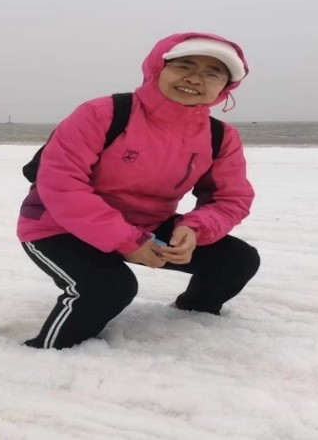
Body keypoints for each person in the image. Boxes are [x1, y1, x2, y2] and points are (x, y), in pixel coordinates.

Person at [16, 32, 260, 350]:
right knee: (109, 288)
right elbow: (62, 185)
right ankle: (43, 355)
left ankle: (192, 316)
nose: (194, 79)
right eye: (184, 65)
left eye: (212, 73)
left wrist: (194, 229)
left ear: (225, 87)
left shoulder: (219, 136)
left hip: (146, 226)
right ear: (158, 67)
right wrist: (127, 241)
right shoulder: (102, 113)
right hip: (58, 226)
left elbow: (230, 198)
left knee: (237, 260)